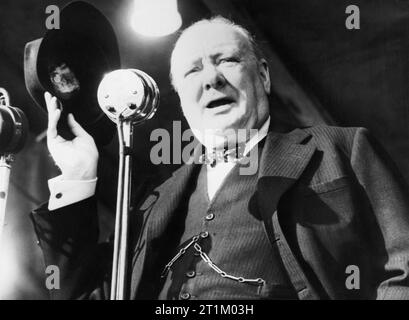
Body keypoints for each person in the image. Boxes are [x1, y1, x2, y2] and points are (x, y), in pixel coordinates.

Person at [31, 16, 409, 300]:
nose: (210, 79)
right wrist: (78, 175)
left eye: (226, 60)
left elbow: (404, 267)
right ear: (181, 99)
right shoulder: (153, 202)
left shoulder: (343, 150)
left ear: (263, 76)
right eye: (193, 70)